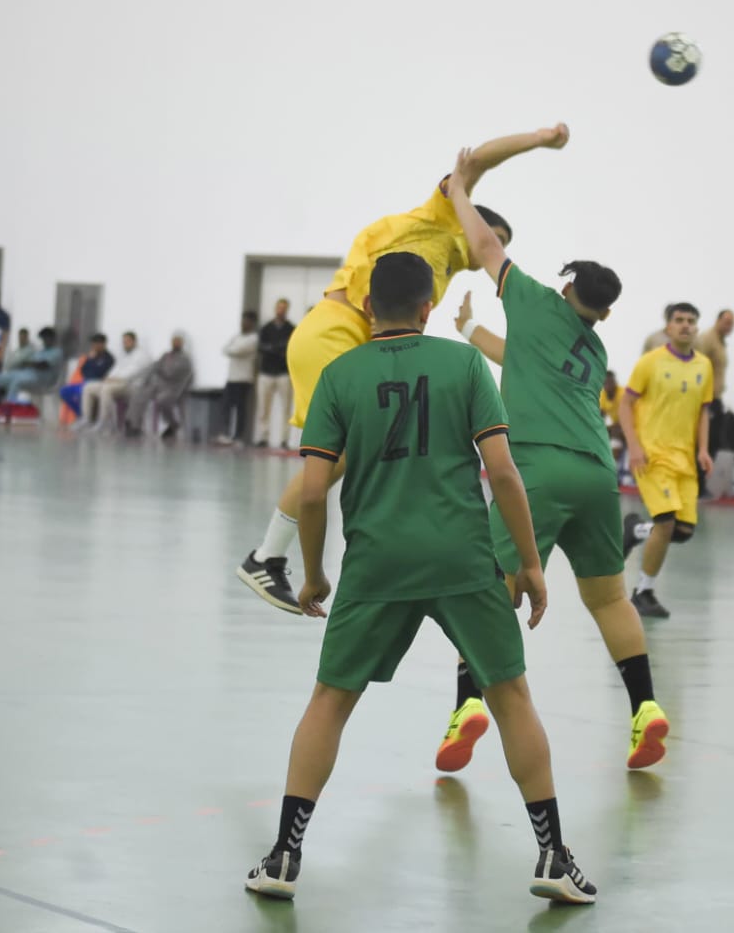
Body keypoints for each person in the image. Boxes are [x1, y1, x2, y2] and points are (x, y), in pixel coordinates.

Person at [245, 252, 596, 905]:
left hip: (375, 564)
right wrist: (528, 562)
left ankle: (283, 857)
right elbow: (504, 473)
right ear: (428, 308)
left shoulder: (340, 376)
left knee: (330, 701)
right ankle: (553, 854)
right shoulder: (464, 364)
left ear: (368, 307)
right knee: (510, 697)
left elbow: (314, 492)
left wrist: (314, 574)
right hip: (463, 559)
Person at [237, 123, 570, 612]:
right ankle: (266, 557)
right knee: (335, 455)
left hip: (352, 339)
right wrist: (540, 138)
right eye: (491, 233)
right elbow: (476, 161)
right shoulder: (440, 216)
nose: (487, 243)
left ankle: (317, 551)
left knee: (359, 448)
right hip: (334, 330)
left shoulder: (445, 269)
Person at [441, 155, 669, 775]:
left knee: (491, 588)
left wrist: (459, 191)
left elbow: (486, 245)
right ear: (606, 311)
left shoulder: (536, 299)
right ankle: (645, 708)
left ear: (565, 287)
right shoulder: (593, 349)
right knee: (609, 598)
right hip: (597, 475)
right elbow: (523, 360)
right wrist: (472, 331)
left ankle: (467, 706)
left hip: (536, 470)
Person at [618, 304, 714, 619]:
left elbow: (703, 411)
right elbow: (625, 404)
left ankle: (635, 530)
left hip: (685, 461)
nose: (685, 325)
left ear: (697, 328)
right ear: (668, 327)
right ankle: (643, 592)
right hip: (652, 456)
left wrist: (703, 449)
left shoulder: (704, 366)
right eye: (679, 320)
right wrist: (634, 446)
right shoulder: (650, 362)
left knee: (683, 531)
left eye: (691, 321)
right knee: (666, 523)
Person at [0, 327, 62, 418]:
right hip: (26, 375)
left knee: (16, 382)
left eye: (47, 338)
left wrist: (29, 363)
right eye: (43, 338)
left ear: (52, 339)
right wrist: (27, 363)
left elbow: (43, 365)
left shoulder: (57, 352)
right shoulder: (40, 351)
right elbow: (26, 363)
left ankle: (7, 411)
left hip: (42, 380)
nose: (44, 341)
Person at [76, 331, 154, 432]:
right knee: (88, 387)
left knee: (106, 389)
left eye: (128, 341)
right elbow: (115, 369)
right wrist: (109, 378)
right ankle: (86, 418)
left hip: (133, 387)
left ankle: (104, 422)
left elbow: (132, 373)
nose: (125, 344)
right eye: (124, 342)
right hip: (118, 384)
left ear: (134, 341)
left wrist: (114, 379)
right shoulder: (124, 355)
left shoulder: (142, 356)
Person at [695, 309, 734, 497]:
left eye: (732, 324)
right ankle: (697, 484)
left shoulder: (721, 343)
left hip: (716, 398)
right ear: (718, 320)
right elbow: (697, 366)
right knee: (704, 442)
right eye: (726, 322)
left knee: (714, 443)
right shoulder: (707, 339)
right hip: (705, 399)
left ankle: (701, 483)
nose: (729, 327)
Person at [125, 332, 193, 439]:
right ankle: (133, 424)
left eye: (178, 341)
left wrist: (159, 369)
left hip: (174, 388)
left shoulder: (185, 359)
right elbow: (153, 366)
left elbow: (170, 373)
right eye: (174, 341)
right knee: (139, 393)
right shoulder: (166, 355)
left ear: (182, 343)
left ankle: (173, 424)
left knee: (162, 400)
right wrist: (138, 378)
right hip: (159, 385)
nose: (175, 343)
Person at [254, 299, 295, 448]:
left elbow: (291, 346)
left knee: (286, 407)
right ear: (275, 309)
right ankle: (263, 436)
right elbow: (261, 346)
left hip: (283, 372)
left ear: (287, 310)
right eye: (279, 308)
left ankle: (285, 439)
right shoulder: (266, 328)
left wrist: (278, 349)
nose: (281, 310)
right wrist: (273, 349)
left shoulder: (291, 329)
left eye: (284, 308)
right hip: (266, 372)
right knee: (263, 407)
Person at [216, 312, 259, 445]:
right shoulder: (237, 336)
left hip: (243, 378)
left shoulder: (253, 338)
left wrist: (231, 349)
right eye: (242, 320)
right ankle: (226, 434)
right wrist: (231, 349)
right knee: (227, 406)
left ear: (252, 323)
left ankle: (238, 436)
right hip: (232, 377)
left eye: (246, 321)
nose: (243, 323)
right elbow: (225, 349)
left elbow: (237, 351)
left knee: (240, 408)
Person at [59, 333, 115, 416]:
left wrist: (92, 365)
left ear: (103, 344)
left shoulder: (108, 358)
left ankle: (85, 416)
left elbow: (100, 372)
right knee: (64, 391)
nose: (95, 346)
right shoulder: (91, 357)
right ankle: (80, 414)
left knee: (80, 393)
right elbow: (83, 370)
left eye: (97, 343)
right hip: (84, 382)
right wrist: (91, 360)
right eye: (93, 344)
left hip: (98, 383)